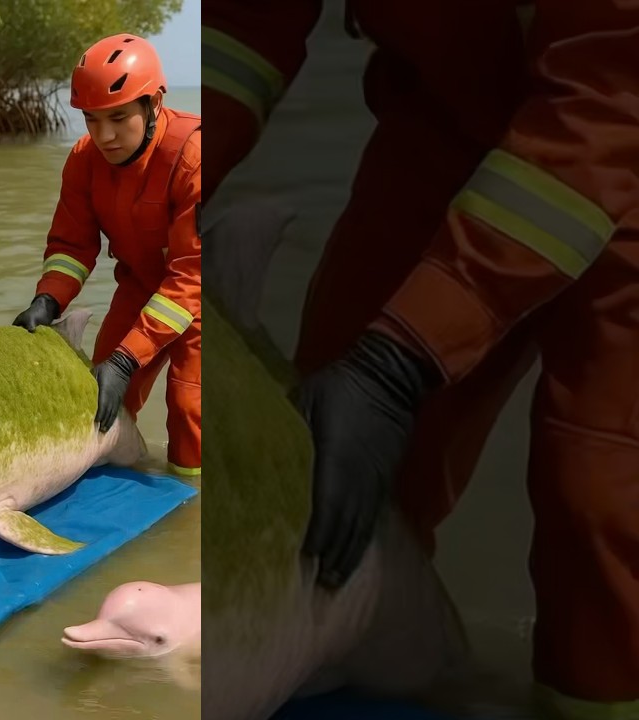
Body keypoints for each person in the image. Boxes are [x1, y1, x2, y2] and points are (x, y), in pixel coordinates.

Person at [202, 3, 639, 716]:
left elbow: (608, 105)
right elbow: (240, 26)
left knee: (602, 500)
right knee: (333, 461)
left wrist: (397, 362)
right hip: (447, 114)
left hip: (621, 110)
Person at [13, 34, 202, 478]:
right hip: (139, 284)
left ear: (154, 104)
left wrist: (125, 356)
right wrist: (48, 301)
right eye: (91, 120)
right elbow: (72, 247)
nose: (104, 136)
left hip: (201, 295)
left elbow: (191, 278)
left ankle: (190, 506)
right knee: (96, 397)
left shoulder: (194, 160)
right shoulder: (83, 160)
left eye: (118, 118)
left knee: (188, 406)